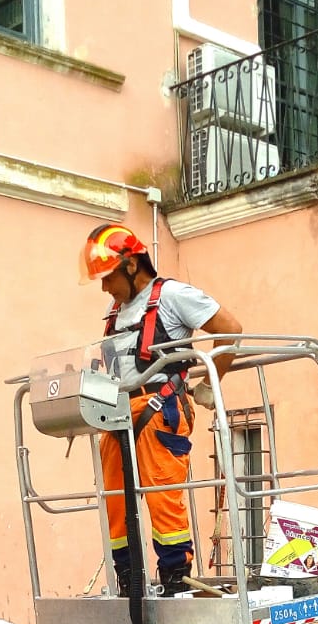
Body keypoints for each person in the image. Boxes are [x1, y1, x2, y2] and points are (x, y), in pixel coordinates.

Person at [79, 223, 242, 594]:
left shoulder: (172, 296)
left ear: (132, 265)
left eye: (108, 277)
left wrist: (208, 384)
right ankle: (129, 578)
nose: (105, 287)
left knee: (162, 494)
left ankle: (175, 577)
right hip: (117, 411)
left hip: (160, 406)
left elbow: (230, 329)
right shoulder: (114, 310)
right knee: (115, 499)